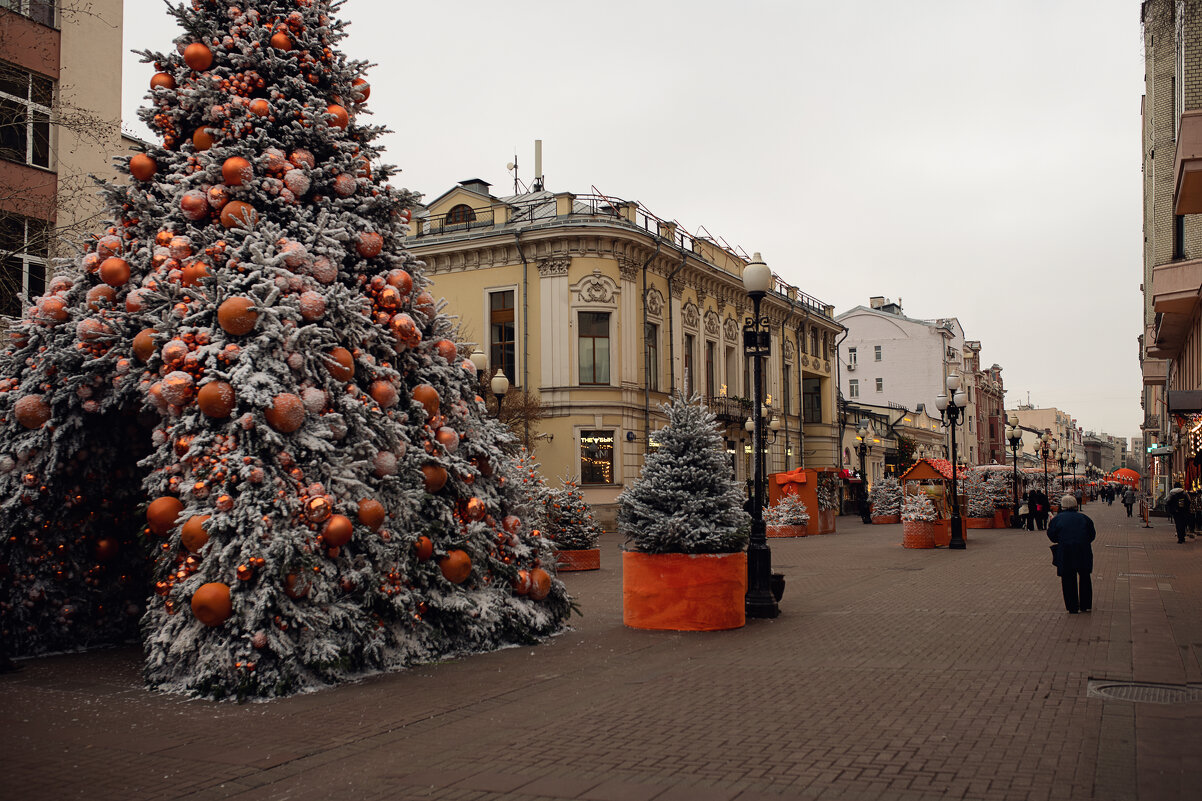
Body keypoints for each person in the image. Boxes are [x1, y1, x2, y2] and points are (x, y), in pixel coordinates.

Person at [1047, 494, 1095, 614]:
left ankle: (1072, 606)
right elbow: (1092, 534)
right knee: (1084, 576)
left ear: (1062, 506)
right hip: (1083, 550)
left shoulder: (1057, 519)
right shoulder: (1084, 518)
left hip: (1065, 551)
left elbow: (1052, 536)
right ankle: (1085, 604)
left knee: (1068, 578)